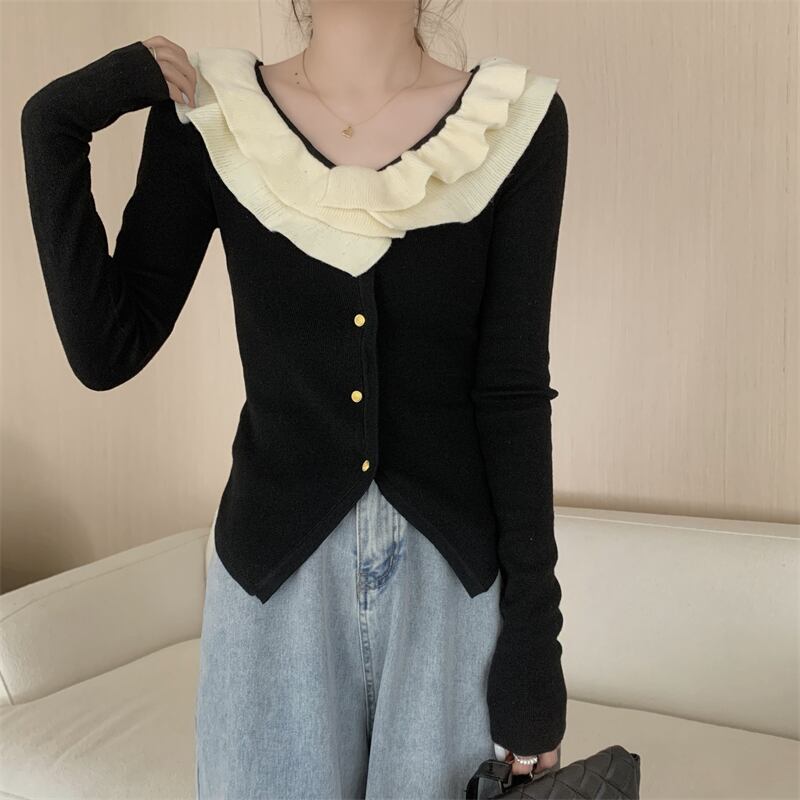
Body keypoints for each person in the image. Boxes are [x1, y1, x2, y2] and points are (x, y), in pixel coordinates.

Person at [20, 3, 568, 797]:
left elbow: (512, 391)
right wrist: (56, 122)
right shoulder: (214, 117)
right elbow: (106, 350)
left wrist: (535, 645)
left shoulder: (514, 123)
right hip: (270, 593)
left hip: (449, 599)